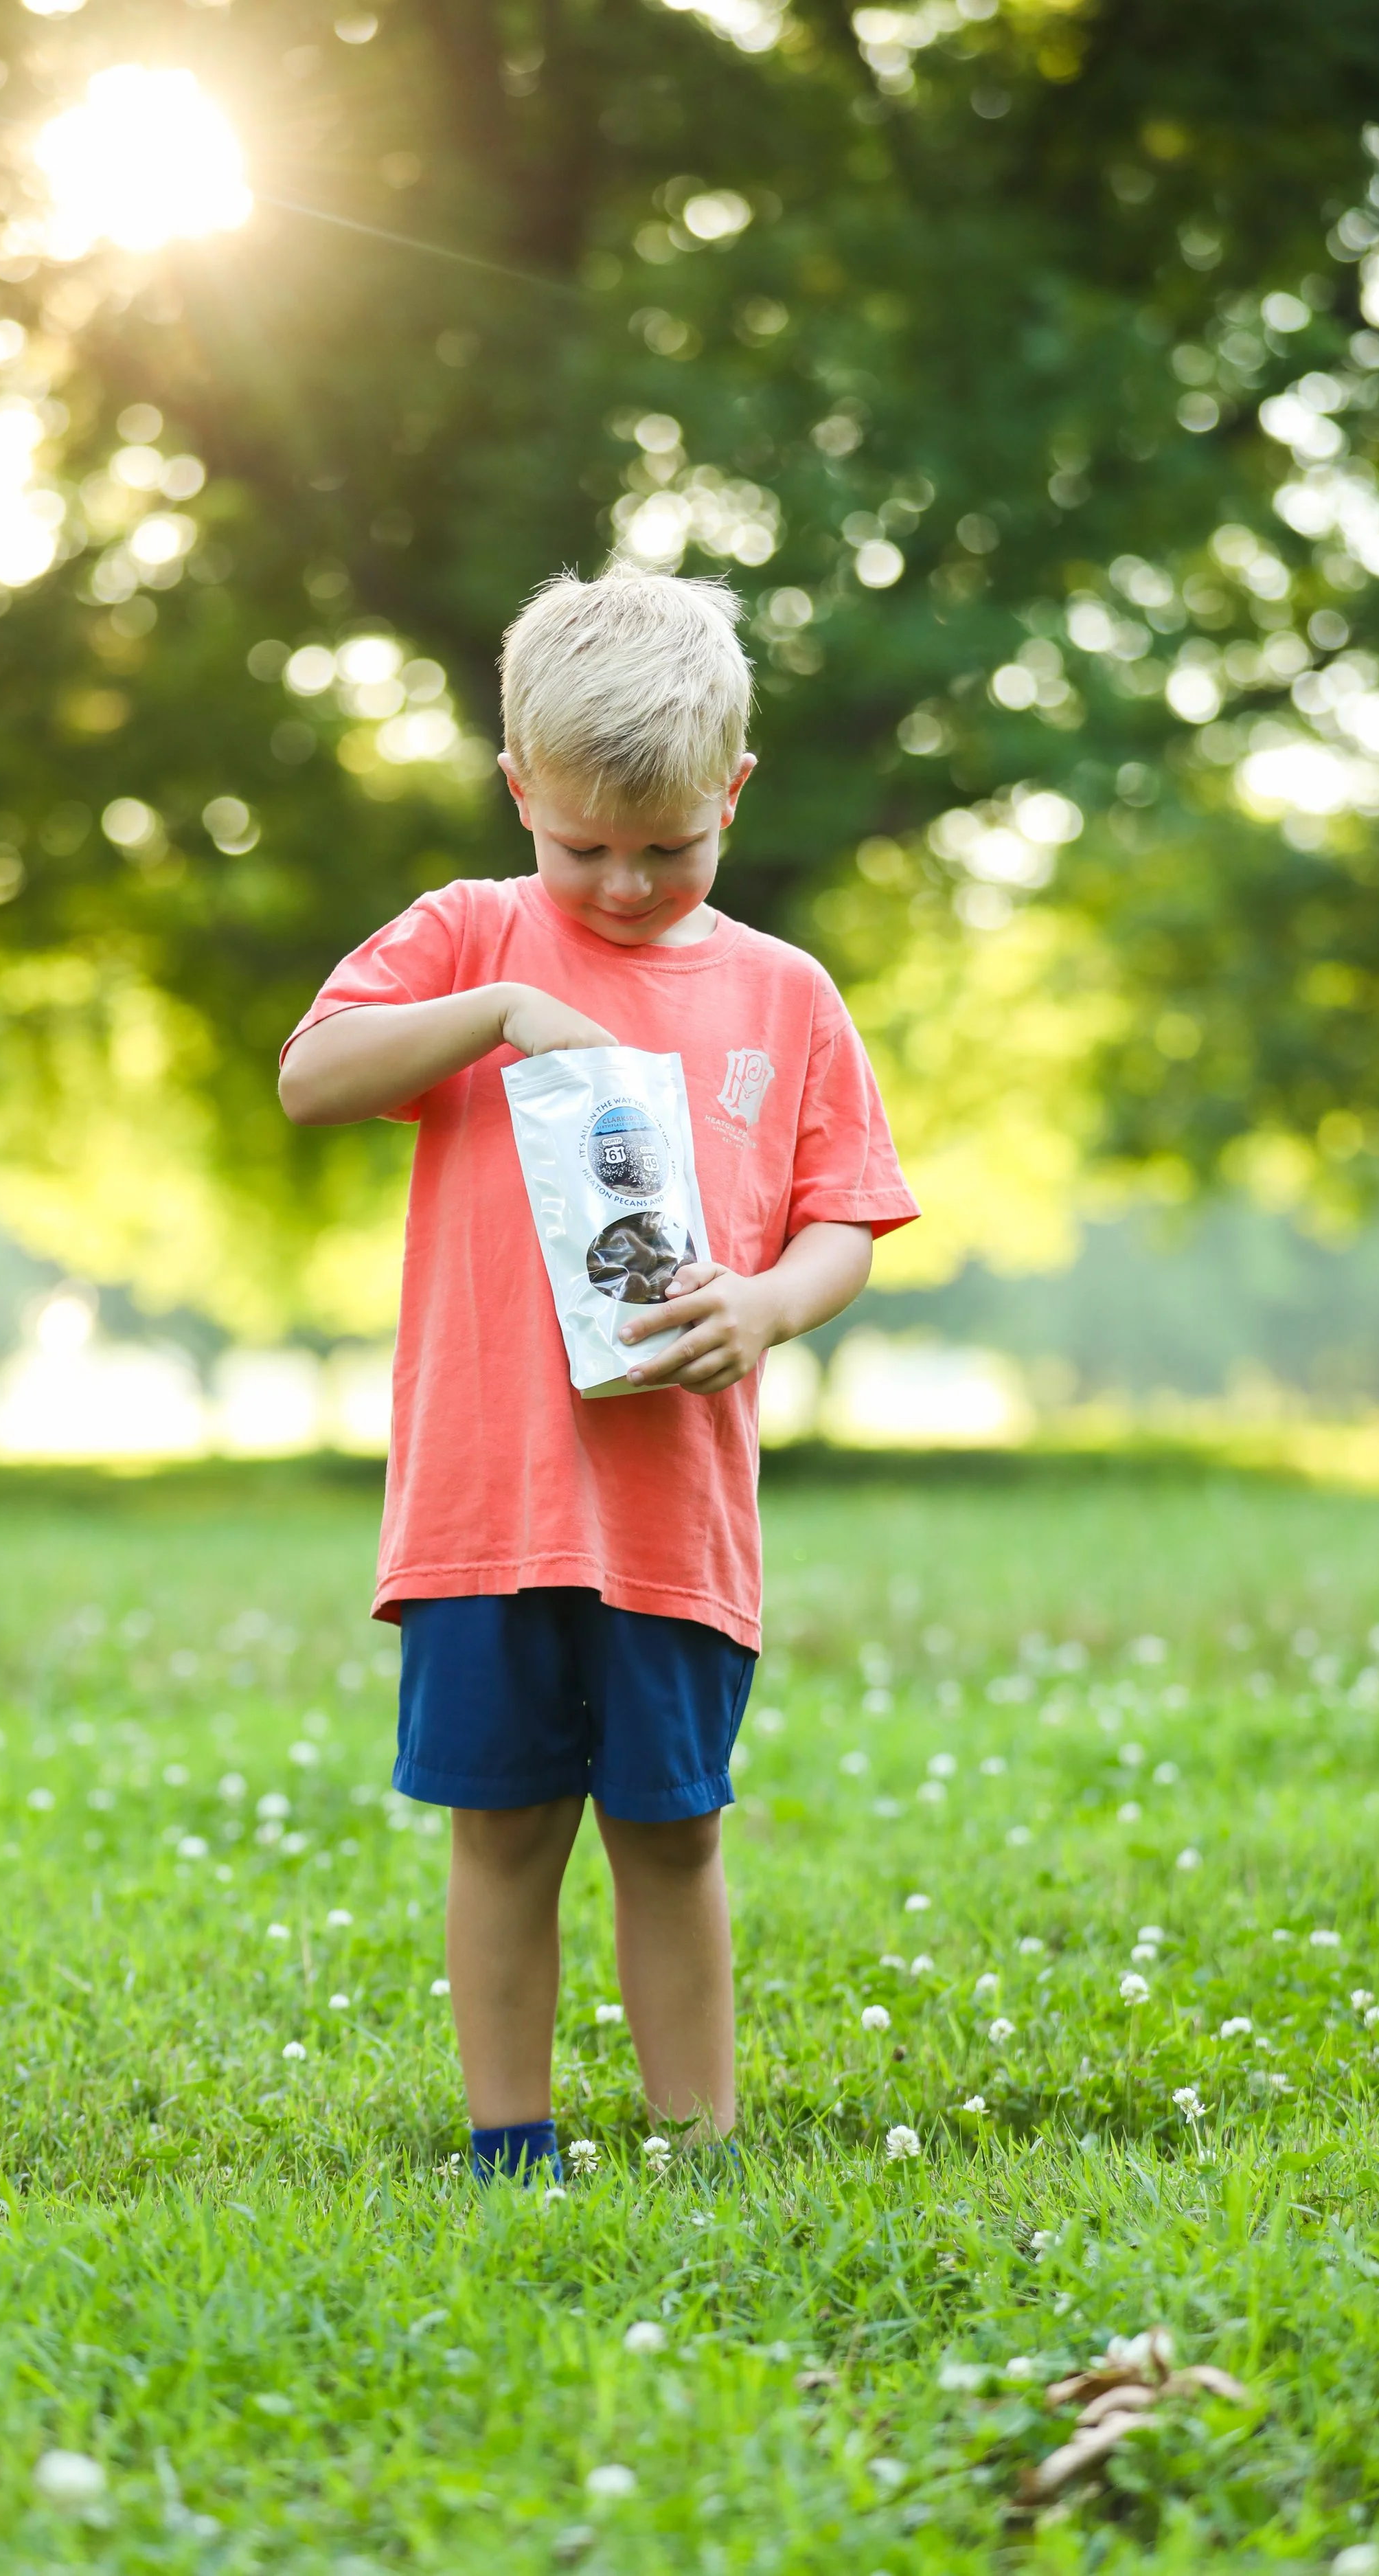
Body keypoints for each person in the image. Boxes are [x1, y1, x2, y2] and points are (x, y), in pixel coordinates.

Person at [279, 567, 919, 2181]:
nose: (624, 884)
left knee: (671, 1828)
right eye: (583, 848)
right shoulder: (468, 935)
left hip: (670, 1512)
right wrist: (492, 1011)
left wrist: (767, 1308)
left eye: (669, 846)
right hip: (487, 1504)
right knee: (500, 1830)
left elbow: (844, 1220)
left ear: (732, 793)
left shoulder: (784, 994)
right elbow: (310, 1076)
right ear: (518, 792)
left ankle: (692, 2143)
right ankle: (511, 2144)